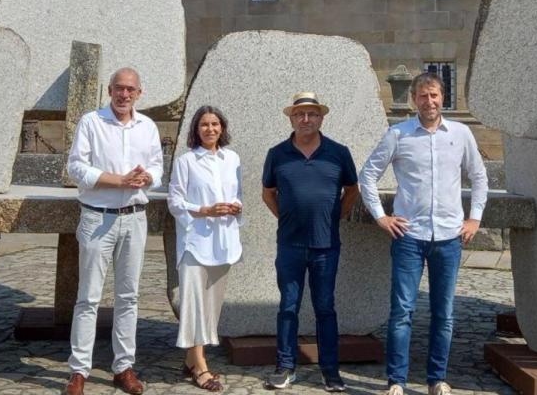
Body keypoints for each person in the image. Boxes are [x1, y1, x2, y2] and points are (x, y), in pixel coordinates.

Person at [358, 72, 488, 395]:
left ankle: (436, 379)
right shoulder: (398, 135)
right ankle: (396, 381)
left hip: (448, 238)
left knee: (444, 313)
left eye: (434, 95)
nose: (429, 101)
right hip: (409, 238)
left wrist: (474, 219)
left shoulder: (460, 134)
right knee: (402, 311)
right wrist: (381, 217)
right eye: (422, 96)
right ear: (414, 100)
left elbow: (479, 176)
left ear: (443, 98)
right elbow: (368, 175)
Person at [64, 67, 163, 395]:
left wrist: (146, 177)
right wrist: (117, 180)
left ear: (139, 93)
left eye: (130, 90)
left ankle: (123, 366)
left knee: (129, 297)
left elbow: (158, 167)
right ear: (109, 91)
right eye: (119, 89)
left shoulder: (147, 126)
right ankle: (79, 371)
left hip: (134, 218)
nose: (124, 94)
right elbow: (76, 166)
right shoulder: (92, 122)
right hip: (97, 218)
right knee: (88, 297)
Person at [261, 92, 359, 392]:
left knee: (325, 308)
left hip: (326, 246)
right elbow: (268, 194)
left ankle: (330, 370)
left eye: (312, 114)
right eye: (300, 114)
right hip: (290, 245)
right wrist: (287, 218)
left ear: (321, 117)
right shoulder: (277, 154)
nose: (306, 119)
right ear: (291, 118)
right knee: (288, 306)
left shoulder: (338, 153)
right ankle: (285, 366)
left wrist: (334, 218)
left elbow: (351, 191)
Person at [167, 105, 244, 392]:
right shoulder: (186, 161)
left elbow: (238, 194)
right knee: (193, 304)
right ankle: (201, 367)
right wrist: (202, 210)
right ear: (196, 130)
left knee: (211, 306)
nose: (210, 129)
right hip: (194, 242)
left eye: (214, 124)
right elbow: (175, 202)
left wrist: (235, 207)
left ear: (222, 128)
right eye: (204, 125)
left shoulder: (232, 158)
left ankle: (190, 360)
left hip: (223, 242)